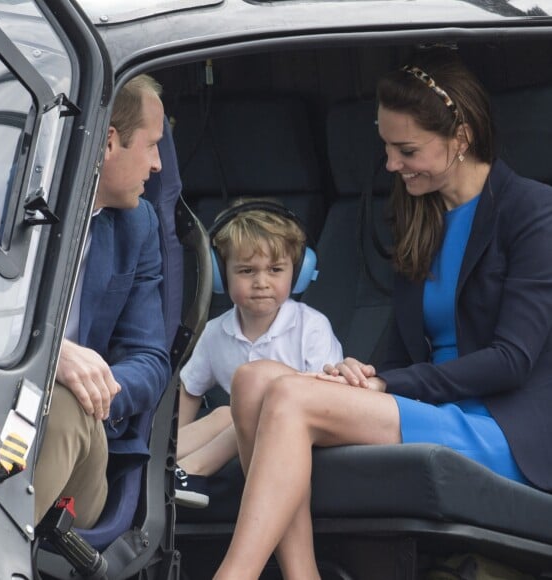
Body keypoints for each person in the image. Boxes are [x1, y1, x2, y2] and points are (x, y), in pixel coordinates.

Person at [213, 48, 552, 579]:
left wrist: (387, 385)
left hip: (498, 426)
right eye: (386, 147)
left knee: (288, 395)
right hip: (431, 405)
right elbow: (405, 341)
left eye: (406, 149)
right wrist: (362, 373)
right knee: (255, 380)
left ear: (459, 139)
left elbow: (512, 360)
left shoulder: (533, 212)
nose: (391, 164)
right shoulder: (419, 215)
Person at [33, 74, 170, 528]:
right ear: (109, 142)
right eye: (151, 146)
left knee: (67, 407)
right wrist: (51, 355)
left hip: (77, 441)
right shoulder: (6, 204)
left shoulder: (139, 225)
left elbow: (150, 360)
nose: (158, 166)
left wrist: (93, 385)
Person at [175, 199, 343, 508]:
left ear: (299, 273)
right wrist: (182, 438)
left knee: (242, 412)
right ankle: (158, 466)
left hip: (305, 432)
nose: (261, 282)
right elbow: (190, 389)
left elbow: (327, 396)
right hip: (246, 433)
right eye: (246, 270)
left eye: (276, 270)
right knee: (226, 413)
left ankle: (189, 471)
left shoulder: (311, 326)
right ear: (221, 275)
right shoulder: (214, 332)